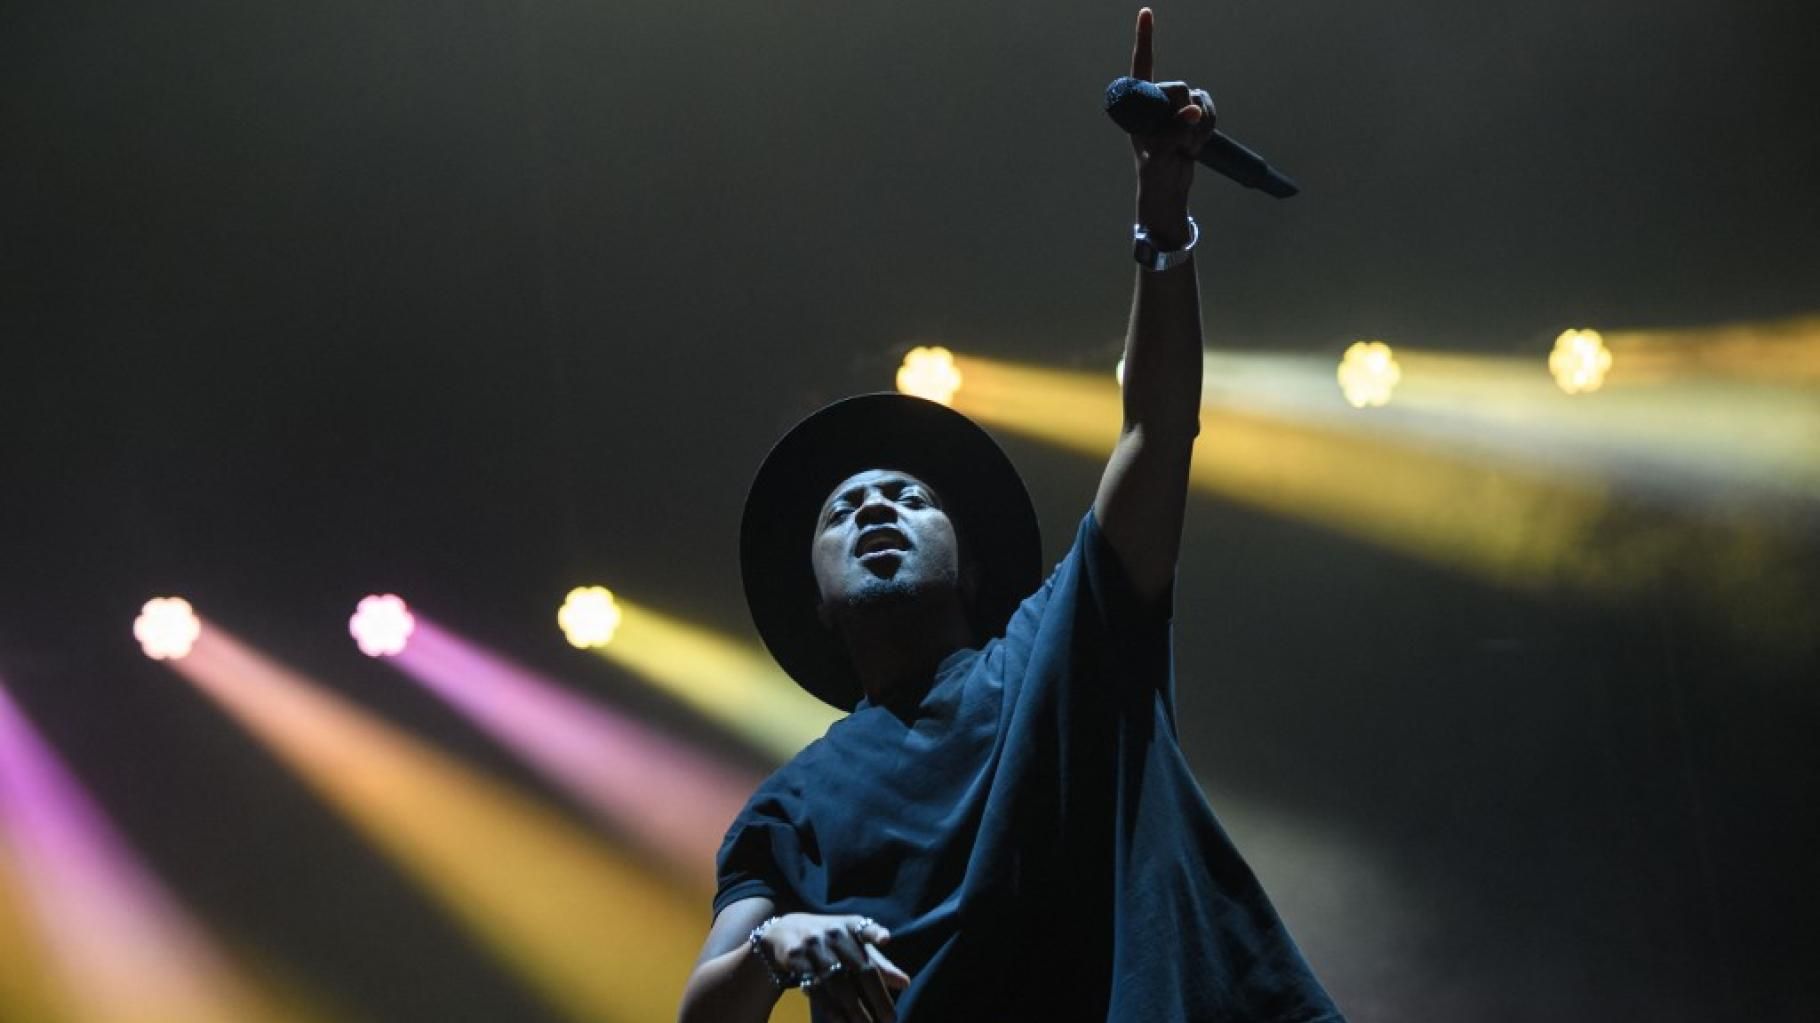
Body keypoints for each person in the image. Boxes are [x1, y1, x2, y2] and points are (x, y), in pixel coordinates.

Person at [678, 9, 1346, 1022]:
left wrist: (1161, 220)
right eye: (842, 510)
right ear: (812, 598)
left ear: (975, 564)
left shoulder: (1064, 638)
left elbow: (1154, 433)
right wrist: (776, 943)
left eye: (906, 497)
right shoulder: (789, 808)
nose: (873, 511)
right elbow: (703, 1012)